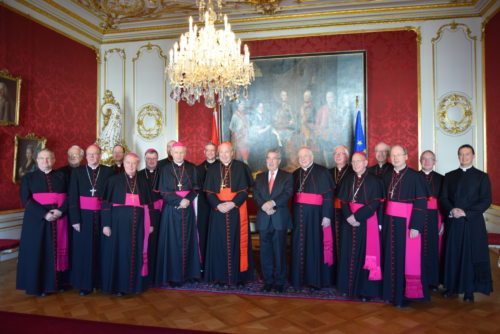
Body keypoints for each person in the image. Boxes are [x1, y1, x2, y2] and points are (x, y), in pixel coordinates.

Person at [440, 144, 492, 302]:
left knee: (470, 256)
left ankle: (469, 291)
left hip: (472, 222)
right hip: (454, 222)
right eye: (461, 154)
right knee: (453, 254)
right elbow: (443, 198)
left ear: (473, 156)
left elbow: (486, 200)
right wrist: (452, 210)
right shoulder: (449, 176)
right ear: (458, 157)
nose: (464, 157)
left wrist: (466, 213)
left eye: (467, 154)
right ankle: (451, 287)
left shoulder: (482, 177)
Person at [16, 149, 69, 296]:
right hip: (36, 222)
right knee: (38, 252)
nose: (45, 161)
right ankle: (38, 286)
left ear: (54, 160)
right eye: (42, 158)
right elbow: (26, 199)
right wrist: (44, 214)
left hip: (59, 220)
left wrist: (61, 211)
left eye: (48, 158)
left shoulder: (62, 176)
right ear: (37, 160)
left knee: (57, 252)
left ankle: (59, 283)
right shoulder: (28, 178)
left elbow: (70, 195)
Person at [381, 145, 428, 307]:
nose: (395, 158)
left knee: (404, 258)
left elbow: (421, 202)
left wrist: (416, 226)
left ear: (406, 156)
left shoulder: (415, 176)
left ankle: (404, 296)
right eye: (393, 156)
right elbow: (383, 202)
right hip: (389, 223)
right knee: (390, 256)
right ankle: (390, 292)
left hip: (407, 223)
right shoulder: (387, 176)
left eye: (398, 155)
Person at [100, 153, 153, 295]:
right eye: (128, 163)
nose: (131, 166)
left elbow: (149, 204)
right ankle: (119, 287)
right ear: (123, 163)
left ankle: (136, 286)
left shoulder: (143, 181)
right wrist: (106, 224)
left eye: (134, 163)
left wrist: (151, 223)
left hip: (139, 225)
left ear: (138, 164)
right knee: (120, 253)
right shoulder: (113, 180)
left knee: (137, 251)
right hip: (118, 226)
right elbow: (105, 204)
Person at [203, 142, 254, 286]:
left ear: (232, 152)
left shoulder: (241, 167)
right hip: (218, 212)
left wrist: (232, 204)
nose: (224, 155)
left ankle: (239, 276)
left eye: (227, 152)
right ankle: (220, 276)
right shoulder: (213, 169)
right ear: (218, 153)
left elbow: (244, 191)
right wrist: (218, 205)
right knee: (218, 243)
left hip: (236, 211)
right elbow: (209, 193)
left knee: (237, 242)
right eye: (222, 152)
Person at [337, 152, 383, 300]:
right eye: (354, 162)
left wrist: (357, 217)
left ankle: (365, 291)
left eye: (359, 161)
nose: (356, 164)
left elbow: (375, 203)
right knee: (347, 253)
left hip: (366, 222)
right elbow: (343, 201)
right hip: (348, 221)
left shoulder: (375, 181)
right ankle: (346, 286)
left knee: (365, 255)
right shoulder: (348, 179)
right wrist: (349, 216)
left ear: (365, 162)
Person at [68, 144, 113, 295]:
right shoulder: (78, 172)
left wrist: (109, 220)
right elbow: (72, 196)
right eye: (90, 155)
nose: (93, 157)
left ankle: (100, 282)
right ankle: (85, 285)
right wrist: (75, 219)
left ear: (100, 155)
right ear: (85, 157)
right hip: (83, 217)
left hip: (102, 216)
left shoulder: (108, 171)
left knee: (102, 250)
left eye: (96, 154)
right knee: (84, 252)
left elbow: (110, 196)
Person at [155, 142, 200, 287]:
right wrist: (179, 201)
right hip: (171, 210)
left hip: (187, 209)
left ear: (185, 153)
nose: (179, 155)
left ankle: (191, 273)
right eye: (176, 152)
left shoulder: (191, 168)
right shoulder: (165, 169)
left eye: (182, 152)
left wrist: (187, 200)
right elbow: (164, 192)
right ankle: (174, 276)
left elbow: (196, 188)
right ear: (171, 153)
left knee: (189, 240)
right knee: (173, 242)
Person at [291, 147, 335, 290]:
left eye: (305, 156)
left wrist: (327, 216)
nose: (302, 159)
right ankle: (299, 279)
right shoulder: (295, 173)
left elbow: (328, 196)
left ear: (311, 157)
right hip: (299, 217)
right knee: (299, 245)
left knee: (314, 245)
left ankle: (315, 280)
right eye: (300, 157)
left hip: (316, 217)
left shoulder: (322, 172)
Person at [253, 149, 293, 293]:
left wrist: (272, 203)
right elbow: (256, 194)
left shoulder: (287, 176)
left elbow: (287, 193)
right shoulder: (259, 177)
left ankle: (280, 282)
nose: (270, 161)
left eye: (274, 158)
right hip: (264, 218)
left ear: (279, 160)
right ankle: (268, 281)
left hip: (279, 219)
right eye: (268, 158)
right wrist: (264, 205)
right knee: (265, 252)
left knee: (279, 251)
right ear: (266, 160)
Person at [418, 150, 444, 290]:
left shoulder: (442, 179)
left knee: (434, 249)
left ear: (435, 162)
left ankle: (433, 281)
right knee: (418, 249)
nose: (427, 161)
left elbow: (444, 201)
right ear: (420, 161)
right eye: (424, 159)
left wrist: (444, 221)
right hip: (418, 216)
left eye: (430, 159)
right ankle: (419, 279)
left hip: (435, 217)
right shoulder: (414, 177)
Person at [138, 148, 162, 283]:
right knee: (146, 243)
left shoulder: (163, 173)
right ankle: (146, 273)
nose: (151, 161)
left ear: (157, 160)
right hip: (145, 214)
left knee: (160, 242)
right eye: (148, 159)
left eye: (154, 158)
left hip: (161, 214)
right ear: (145, 159)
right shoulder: (139, 175)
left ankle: (158, 274)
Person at [330, 145, 353, 281]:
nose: (338, 156)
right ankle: (331, 275)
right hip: (331, 213)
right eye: (336, 153)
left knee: (345, 244)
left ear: (347, 156)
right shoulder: (328, 172)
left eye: (341, 153)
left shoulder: (352, 171)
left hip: (347, 213)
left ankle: (344, 276)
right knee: (330, 243)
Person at [195, 142, 218, 273]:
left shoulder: (221, 167)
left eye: (212, 150)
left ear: (216, 152)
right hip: (203, 206)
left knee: (216, 235)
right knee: (203, 234)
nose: (210, 153)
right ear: (204, 152)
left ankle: (215, 264)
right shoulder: (198, 169)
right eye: (207, 150)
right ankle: (203, 265)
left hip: (217, 206)